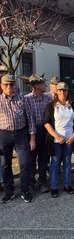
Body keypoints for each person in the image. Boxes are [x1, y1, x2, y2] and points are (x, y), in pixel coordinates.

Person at [0, 74, 36, 203]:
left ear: (15, 85)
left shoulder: (22, 99)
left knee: (25, 163)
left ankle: (24, 190)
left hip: (21, 134)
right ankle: (9, 191)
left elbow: (30, 120)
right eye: (6, 84)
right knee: (5, 165)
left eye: (11, 84)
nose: (9, 86)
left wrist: (32, 138)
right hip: (3, 135)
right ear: (1, 86)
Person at [44, 82, 74, 197]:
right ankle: (54, 187)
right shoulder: (51, 105)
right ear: (56, 92)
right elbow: (47, 123)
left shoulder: (72, 105)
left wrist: (73, 136)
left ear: (67, 91)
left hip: (69, 139)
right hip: (56, 140)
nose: (62, 92)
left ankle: (67, 185)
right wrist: (57, 136)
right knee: (55, 163)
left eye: (64, 90)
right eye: (59, 90)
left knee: (68, 162)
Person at [25, 74, 52, 193]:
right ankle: (31, 183)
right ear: (36, 86)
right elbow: (29, 119)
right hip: (31, 132)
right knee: (31, 159)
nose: (45, 85)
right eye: (42, 83)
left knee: (43, 158)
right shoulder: (26, 99)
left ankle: (43, 182)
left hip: (45, 131)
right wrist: (32, 136)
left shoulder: (47, 98)